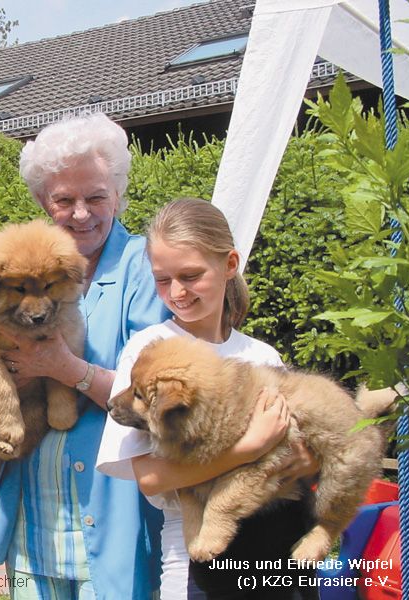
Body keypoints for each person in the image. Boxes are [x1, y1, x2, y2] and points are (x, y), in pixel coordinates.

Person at [0, 113, 284, 599]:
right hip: (35, 504)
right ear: (44, 201)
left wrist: (65, 369)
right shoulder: (19, 265)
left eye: (96, 197)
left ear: (119, 195)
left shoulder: (148, 270)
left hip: (114, 507)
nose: (81, 213)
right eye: (64, 199)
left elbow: (155, 400)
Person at [96, 198, 318, 600]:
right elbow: (150, 477)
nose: (176, 291)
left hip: (278, 553)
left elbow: (304, 457)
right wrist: (252, 446)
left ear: (230, 265)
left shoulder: (261, 357)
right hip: (196, 558)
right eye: (162, 279)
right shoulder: (150, 352)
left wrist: (304, 457)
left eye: (190, 275)